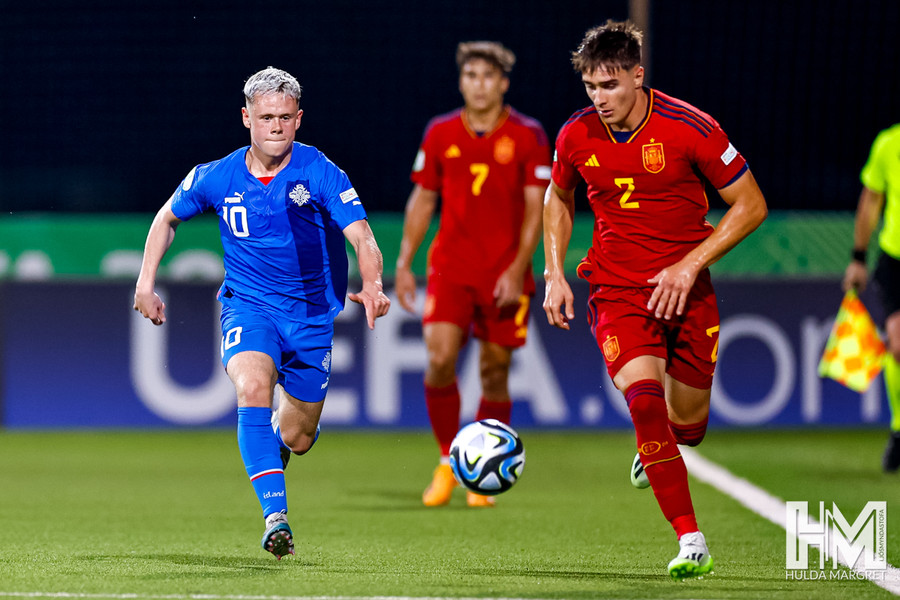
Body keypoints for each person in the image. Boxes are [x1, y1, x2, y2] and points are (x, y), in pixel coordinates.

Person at [133, 67, 390, 559]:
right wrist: (145, 283)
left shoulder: (320, 171)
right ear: (246, 117)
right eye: (266, 116)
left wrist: (373, 284)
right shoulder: (216, 175)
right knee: (252, 387)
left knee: (298, 437)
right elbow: (166, 218)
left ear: (299, 120)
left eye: (285, 117)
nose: (276, 126)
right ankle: (276, 518)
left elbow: (361, 236)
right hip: (248, 306)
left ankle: (272, 443)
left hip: (311, 317)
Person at [542, 21, 767, 580]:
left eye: (610, 85)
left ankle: (659, 446)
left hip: (686, 292)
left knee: (687, 426)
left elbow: (751, 205)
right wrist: (553, 272)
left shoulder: (691, 127)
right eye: (590, 86)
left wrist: (689, 265)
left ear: (637, 76)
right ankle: (691, 539)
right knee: (645, 402)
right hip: (616, 290)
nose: (599, 98)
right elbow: (558, 195)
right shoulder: (576, 134)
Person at [395, 41, 551, 508]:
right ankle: (448, 462)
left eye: (487, 76)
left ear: (503, 83)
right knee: (440, 358)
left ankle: (483, 476)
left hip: (505, 272)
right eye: (470, 75)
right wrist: (404, 262)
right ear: (461, 82)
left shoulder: (527, 134)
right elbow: (423, 198)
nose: (478, 84)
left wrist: (517, 268)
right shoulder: (440, 131)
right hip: (452, 268)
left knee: (494, 371)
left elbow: (537, 209)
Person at [842, 123, 900, 473]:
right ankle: (899, 429)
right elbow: (871, 201)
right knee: (898, 344)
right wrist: (859, 258)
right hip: (896, 259)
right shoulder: (888, 143)